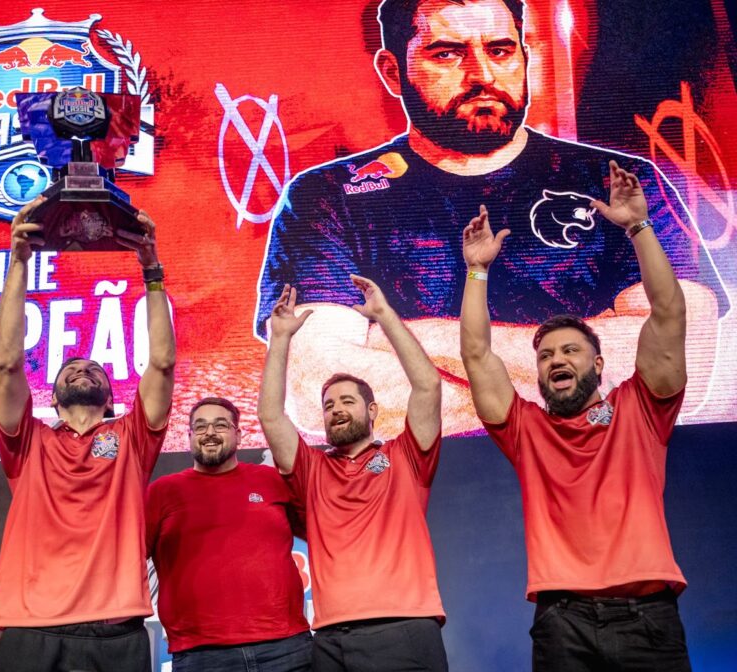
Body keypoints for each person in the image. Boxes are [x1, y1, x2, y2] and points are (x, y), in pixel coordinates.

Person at [255, 0, 724, 436]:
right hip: (426, 485)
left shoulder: (617, 182)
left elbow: (678, 361)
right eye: (447, 54)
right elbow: (316, 390)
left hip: (596, 476)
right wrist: (580, 376)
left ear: (525, 57)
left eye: (500, 51)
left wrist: (405, 339)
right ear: (392, 71)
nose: (482, 74)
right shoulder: (329, 197)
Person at [459, 160, 694, 672]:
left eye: (570, 351)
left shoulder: (640, 408)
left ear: (599, 364)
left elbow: (668, 314)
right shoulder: (525, 430)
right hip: (562, 621)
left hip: (648, 618)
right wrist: (477, 271)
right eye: (546, 355)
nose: (556, 360)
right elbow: (476, 355)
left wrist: (638, 226)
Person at [0, 199, 176, 672]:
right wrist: (19, 262)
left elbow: (161, 363)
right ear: (50, 398)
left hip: (116, 627)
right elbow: (7, 361)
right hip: (33, 623)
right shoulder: (28, 441)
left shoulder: (131, 436)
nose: (82, 367)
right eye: (70, 368)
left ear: (111, 397)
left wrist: (152, 271)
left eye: (94, 368)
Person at [258, 277, 447, 672]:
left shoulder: (405, 457)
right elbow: (271, 417)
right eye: (328, 406)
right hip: (330, 638)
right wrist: (281, 340)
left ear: (372, 410)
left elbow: (428, 386)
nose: (337, 410)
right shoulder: (312, 468)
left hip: (403, 627)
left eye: (347, 401)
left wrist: (384, 316)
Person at [145, 396, 311, 672]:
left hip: (286, 649)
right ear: (189, 437)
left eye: (220, 425)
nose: (209, 432)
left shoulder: (272, 480)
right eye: (200, 426)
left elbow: (320, 531)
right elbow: (130, 557)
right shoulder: (162, 492)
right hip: (203, 657)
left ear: (239, 434)